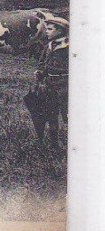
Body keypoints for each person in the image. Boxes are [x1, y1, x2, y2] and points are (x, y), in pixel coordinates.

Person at [23, 16, 69, 149]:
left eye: (50, 29)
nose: (46, 31)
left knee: (67, 114)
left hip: (65, 85)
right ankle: (54, 144)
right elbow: (43, 62)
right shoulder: (48, 46)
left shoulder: (68, 47)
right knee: (51, 114)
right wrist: (40, 71)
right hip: (49, 86)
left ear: (60, 30)